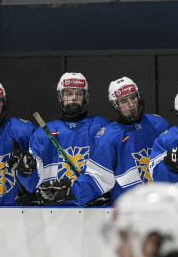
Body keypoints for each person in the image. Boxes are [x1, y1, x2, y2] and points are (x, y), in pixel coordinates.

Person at [68, 76, 170, 205]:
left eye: (133, 97)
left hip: (162, 203)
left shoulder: (159, 124)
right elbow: (98, 176)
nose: (131, 104)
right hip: (128, 208)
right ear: (115, 105)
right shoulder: (108, 136)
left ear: (139, 96)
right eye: (124, 101)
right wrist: (71, 194)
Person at [11, 72, 110, 206]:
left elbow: (109, 169)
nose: (74, 98)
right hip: (55, 212)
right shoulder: (43, 133)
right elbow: (33, 183)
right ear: (60, 98)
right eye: (68, 94)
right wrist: (25, 170)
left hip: (94, 209)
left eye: (79, 94)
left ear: (85, 97)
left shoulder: (100, 126)